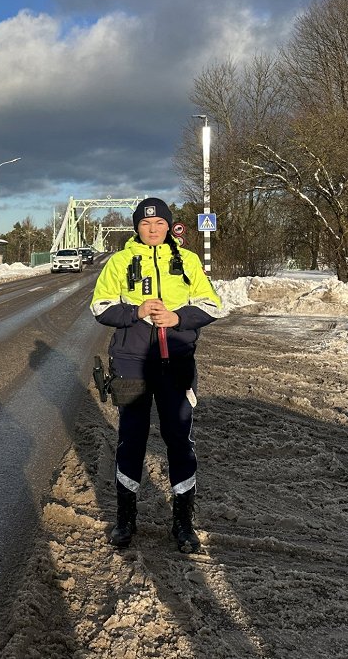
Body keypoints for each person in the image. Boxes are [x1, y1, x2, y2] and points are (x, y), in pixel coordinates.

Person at [90, 197, 221, 552]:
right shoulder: (120, 261)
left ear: (168, 226)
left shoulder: (188, 261)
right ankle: (125, 519)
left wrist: (179, 317)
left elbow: (212, 305)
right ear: (137, 227)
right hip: (132, 362)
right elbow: (100, 306)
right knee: (131, 439)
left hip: (176, 362)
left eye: (159, 223)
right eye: (146, 224)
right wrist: (135, 311)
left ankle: (183, 523)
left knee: (179, 440)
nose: (152, 229)